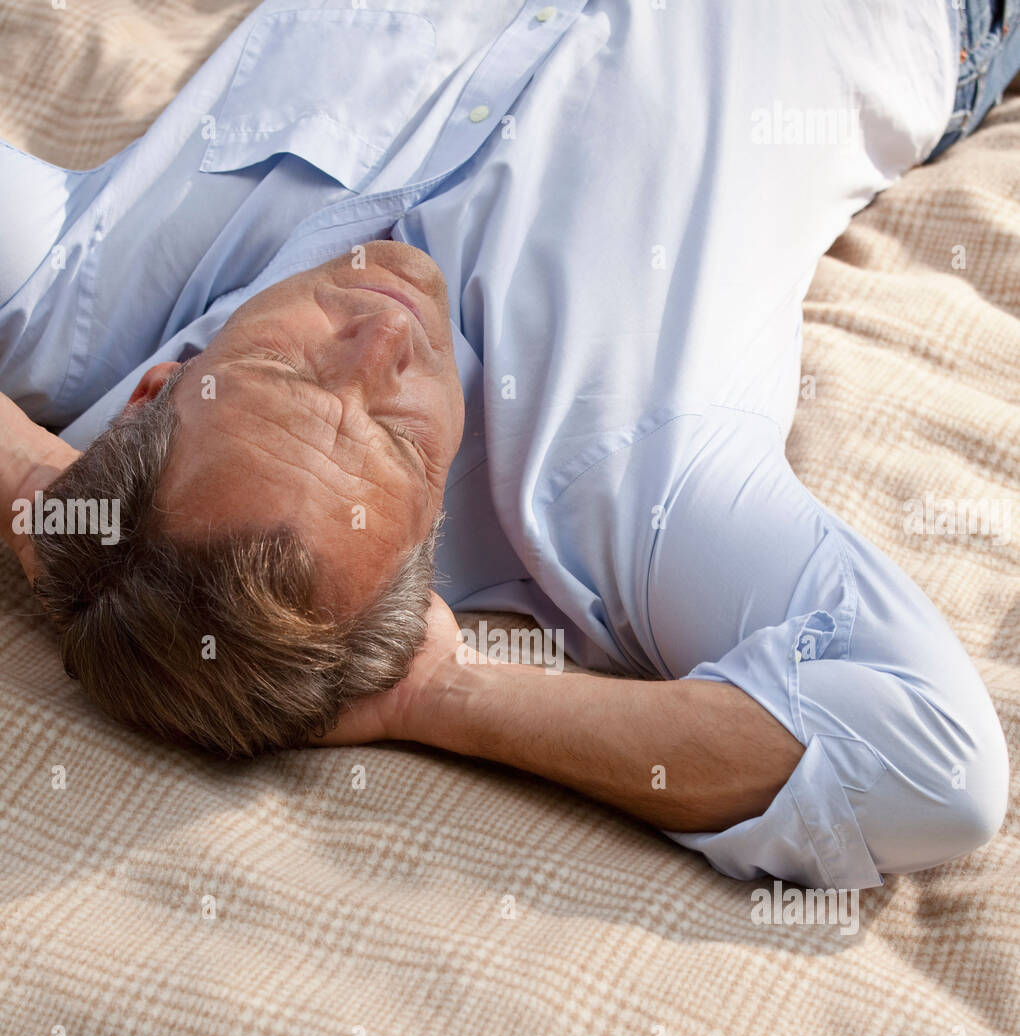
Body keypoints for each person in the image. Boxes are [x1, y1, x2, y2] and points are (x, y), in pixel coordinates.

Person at [0, 0, 1015, 889]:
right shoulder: (627, 483)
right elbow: (932, 761)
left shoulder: (76, 295)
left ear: (154, 390)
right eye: (397, 440)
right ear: (423, 556)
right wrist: (439, 696)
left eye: (289, 369)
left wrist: (49, 492)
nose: (383, 334)